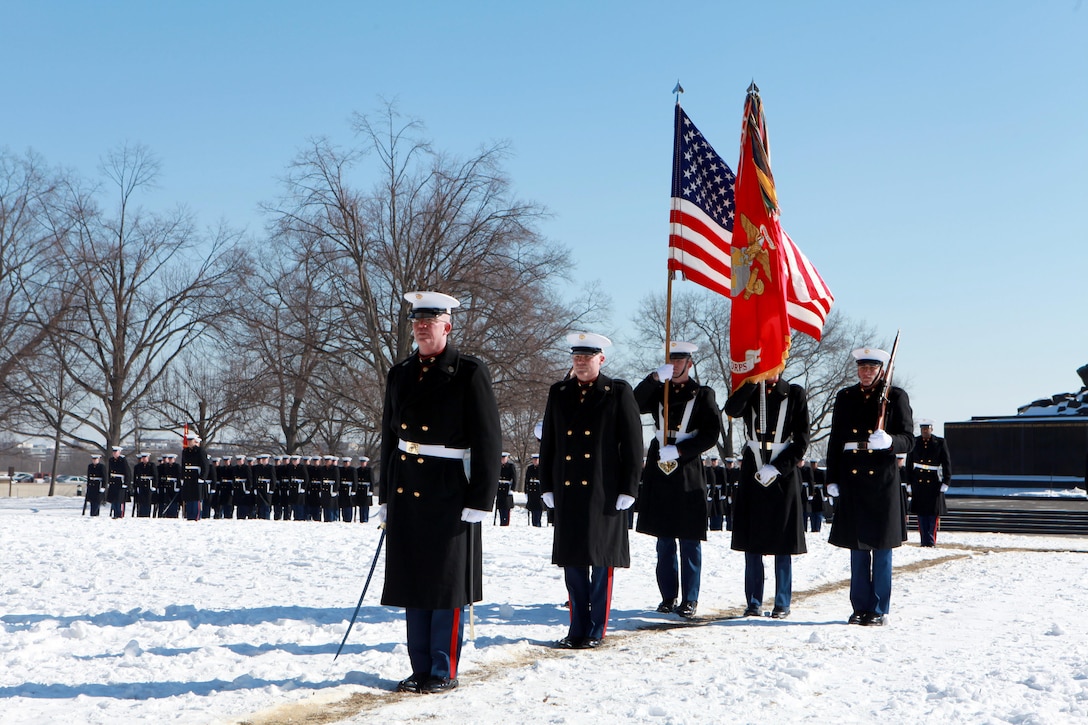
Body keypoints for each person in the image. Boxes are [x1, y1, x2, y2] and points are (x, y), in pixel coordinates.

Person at [378, 291, 501, 695]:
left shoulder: (468, 372)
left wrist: (482, 499)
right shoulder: (400, 373)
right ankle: (419, 667)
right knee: (414, 579)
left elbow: (488, 440)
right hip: (407, 485)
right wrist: (384, 496)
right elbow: (389, 439)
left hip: (450, 489)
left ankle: (443, 668)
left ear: (447, 325)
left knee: (445, 583)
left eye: (429, 321)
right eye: (416, 320)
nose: (421, 327)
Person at [539, 332, 643, 649]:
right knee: (573, 561)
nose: (581, 362)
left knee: (600, 560)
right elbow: (550, 443)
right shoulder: (559, 392)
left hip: (604, 488)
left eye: (588, 357)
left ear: (601, 359)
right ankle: (576, 627)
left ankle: (596, 627)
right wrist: (546, 485)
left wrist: (629, 486)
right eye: (577, 357)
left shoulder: (617, 391)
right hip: (569, 488)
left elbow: (633, 443)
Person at [826, 347, 914, 627]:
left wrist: (890, 442)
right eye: (862, 368)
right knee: (858, 548)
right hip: (853, 479)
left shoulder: (895, 396)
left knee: (882, 548)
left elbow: (908, 439)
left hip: (882, 481)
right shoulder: (846, 397)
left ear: (881, 370)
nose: (866, 373)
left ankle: (879, 607)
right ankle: (860, 606)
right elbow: (836, 439)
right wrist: (832, 478)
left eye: (871, 368)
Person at [634, 341, 721, 619]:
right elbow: (633, 403)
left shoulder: (703, 394)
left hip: (687, 468)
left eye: (680, 360)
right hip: (660, 467)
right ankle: (668, 596)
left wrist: (682, 450)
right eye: (671, 360)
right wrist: (653, 379)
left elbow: (711, 434)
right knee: (664, 538)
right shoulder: (660, 390)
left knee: (689, 538)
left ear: (690, 363)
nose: (675, 364)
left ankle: (690, 598)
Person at [724, 374, 810, 619]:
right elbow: (732, 409)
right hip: (753, 467)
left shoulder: (793, 393)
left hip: (782, 471)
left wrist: (779, 467)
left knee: (783, 542)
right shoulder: (751, 390)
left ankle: (782, 602)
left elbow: (802, 440)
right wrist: (750, 384)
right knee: (752, 541)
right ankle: (753, 601)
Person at [905, 419, 951, 547]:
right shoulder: (915, 442)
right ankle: (924, 539)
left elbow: (946, 463)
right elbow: (909, 463)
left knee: (932, 513)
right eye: (923, 429)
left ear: (931, 429)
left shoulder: (940, 442)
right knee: (921, 513)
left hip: (934, 481)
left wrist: (946, 481)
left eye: (927, 429)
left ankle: (930, 540)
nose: (925, 431)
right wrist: (909, 482)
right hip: (918, 481)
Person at [181, 434, 209, 521]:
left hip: (196, 477)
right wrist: (182, 477)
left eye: (191, 441)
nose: (189, 442)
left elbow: (205, 466)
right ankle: (189, 516)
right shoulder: (185, 451)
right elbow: (183, 466)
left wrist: (202, 477)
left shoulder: (200, 451)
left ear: (195, 441)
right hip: (188, 478)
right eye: (188, 441)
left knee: (196, 498)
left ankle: (196, 516)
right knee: (189, 498)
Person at [106, 446, 132, 519]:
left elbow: (127, 473)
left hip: (120, 482)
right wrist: (109, 481)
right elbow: (109, 472)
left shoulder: (122, 460)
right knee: (113, 499)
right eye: (113, 452)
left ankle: (119, 514)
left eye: (116, 452)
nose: (114, 453)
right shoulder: (111, 460)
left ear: (119, 452)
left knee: (119, 499)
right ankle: (115, 513)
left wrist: (126, 483)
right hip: (113, 482)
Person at [132, 452, 158, 518]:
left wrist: (154, 486)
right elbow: (136, 477)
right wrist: (135, 486)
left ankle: (147, 514)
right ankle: (141, 514)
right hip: (141, 484)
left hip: (149, 484)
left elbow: (155, 476)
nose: (144, 459)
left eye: (145, 458)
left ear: (148, 458)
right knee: (141, 501)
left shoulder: (151, 465)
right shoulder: (138, 466)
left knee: (147, 501)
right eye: (143, 458)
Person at [705, 455, 727, 532]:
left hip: (719, 492)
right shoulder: (708, 470)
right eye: (712, 461)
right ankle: (712, 526)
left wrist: (724, 493)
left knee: (718, 509)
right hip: (710, 492)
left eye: (715, 461)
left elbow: (724, 482)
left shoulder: (721, 470)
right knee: (711, 509)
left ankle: (717, 526)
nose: (713, 462)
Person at [496, 452, 517, 526]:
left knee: (506, 506)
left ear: (507, 458)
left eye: (504, 458)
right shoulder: (498, 466)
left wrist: (512, 489)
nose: (503, 459)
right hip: (500, 488)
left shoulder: (510, 466)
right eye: (502, 458)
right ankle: (502, 521)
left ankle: (506, 522)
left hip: (507, 488)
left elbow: (514, 478)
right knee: (500, 506)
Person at [524, 453, 544, 527]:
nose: (535, 461)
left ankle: (538, 523)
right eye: (534, 460)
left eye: (537, 460)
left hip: (539, 492)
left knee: (538, 509)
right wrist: (526, 491)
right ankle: (534, 523)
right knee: (532, 508)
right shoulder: (530, 468)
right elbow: (526, 481)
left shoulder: (542, 468)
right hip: (531, 491)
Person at [85, 453, 106, 517]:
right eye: (93, 459)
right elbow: (89, 476)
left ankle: (95, 513)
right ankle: (92, 513)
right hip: (91, 485)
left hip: (98, 485)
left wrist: (103, 486)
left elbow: (104, 477)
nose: (94, 461)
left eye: (96, 459)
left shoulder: (101, 467)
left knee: (97, 500)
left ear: (98, 459)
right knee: (92, 500)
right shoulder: (90, 466)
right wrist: (88, 485)